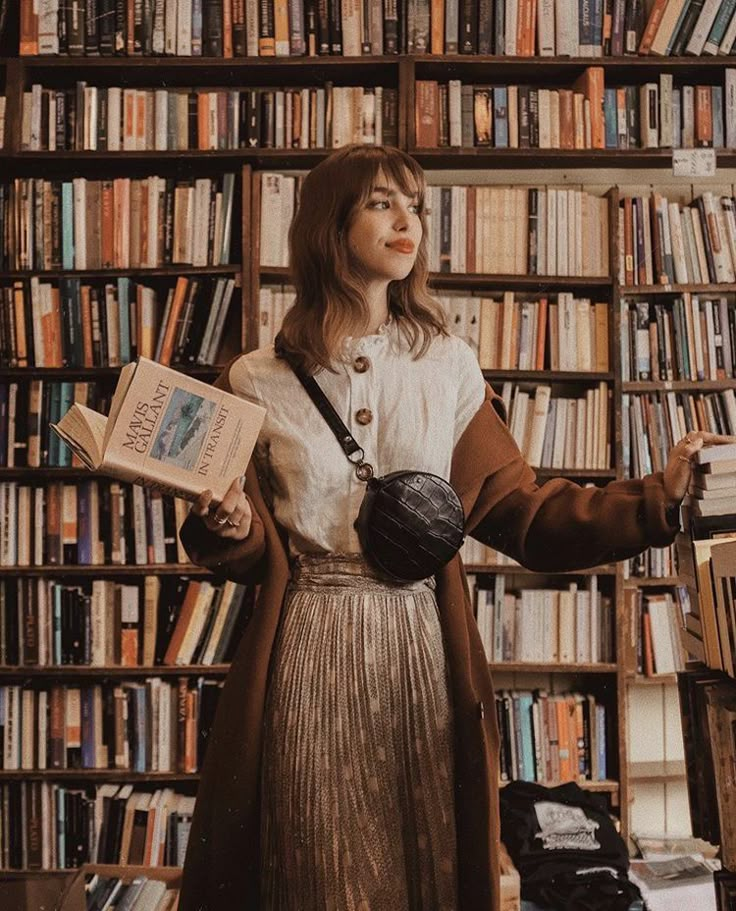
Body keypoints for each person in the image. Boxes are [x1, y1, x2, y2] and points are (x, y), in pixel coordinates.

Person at [176, 143, 736, 911]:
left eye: (416, 205)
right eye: (382, 203)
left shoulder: (448, 366)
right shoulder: (254, 379)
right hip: (308, 642)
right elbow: (232, 539)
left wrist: (657, 499)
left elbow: (526, 513)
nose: (408, 220)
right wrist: (230, 521)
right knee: (311, 856)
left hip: (423, 646)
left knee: (427, 860)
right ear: (327, 226)